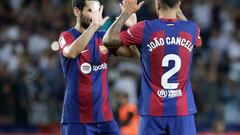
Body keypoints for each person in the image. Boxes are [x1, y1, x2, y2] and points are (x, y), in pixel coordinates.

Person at [103, 0, 202, 135]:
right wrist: (176, 7)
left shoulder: (145, 28)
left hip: (152, 112)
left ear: (157, 5)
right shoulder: (191, 28)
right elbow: (198, 41)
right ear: (179, 4)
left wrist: (125, 13)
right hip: (182, 111)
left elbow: (108, 39)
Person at [58, 0, 139, 135]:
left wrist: (133, 29)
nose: (95, 16)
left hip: (105, 119)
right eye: (90, 11)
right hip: (77, 119)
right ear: (77, 11)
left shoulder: (103, 37)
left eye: (97, 11)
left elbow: (134, 54)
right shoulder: (66, 36)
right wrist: (94, 27)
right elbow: (71, 53)